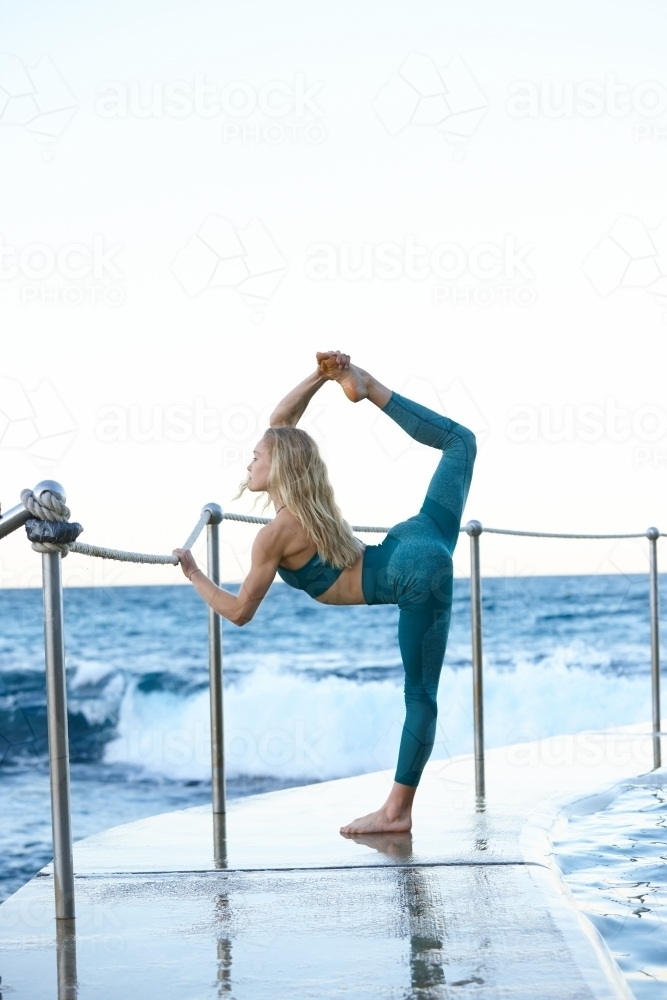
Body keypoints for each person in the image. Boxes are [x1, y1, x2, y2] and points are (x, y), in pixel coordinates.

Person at [174, 352, 476, 834]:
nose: (248, 461)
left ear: (278, 467)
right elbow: (281, 427)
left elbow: (238, 612)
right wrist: (323, 376)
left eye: (256, 456)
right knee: (460, 443)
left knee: (420, 696)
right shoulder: (306, 504)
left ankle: (396, 814)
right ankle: (370, 388)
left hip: (411, 569)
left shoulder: (274, 533)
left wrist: (193, 573)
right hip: (420, 535)